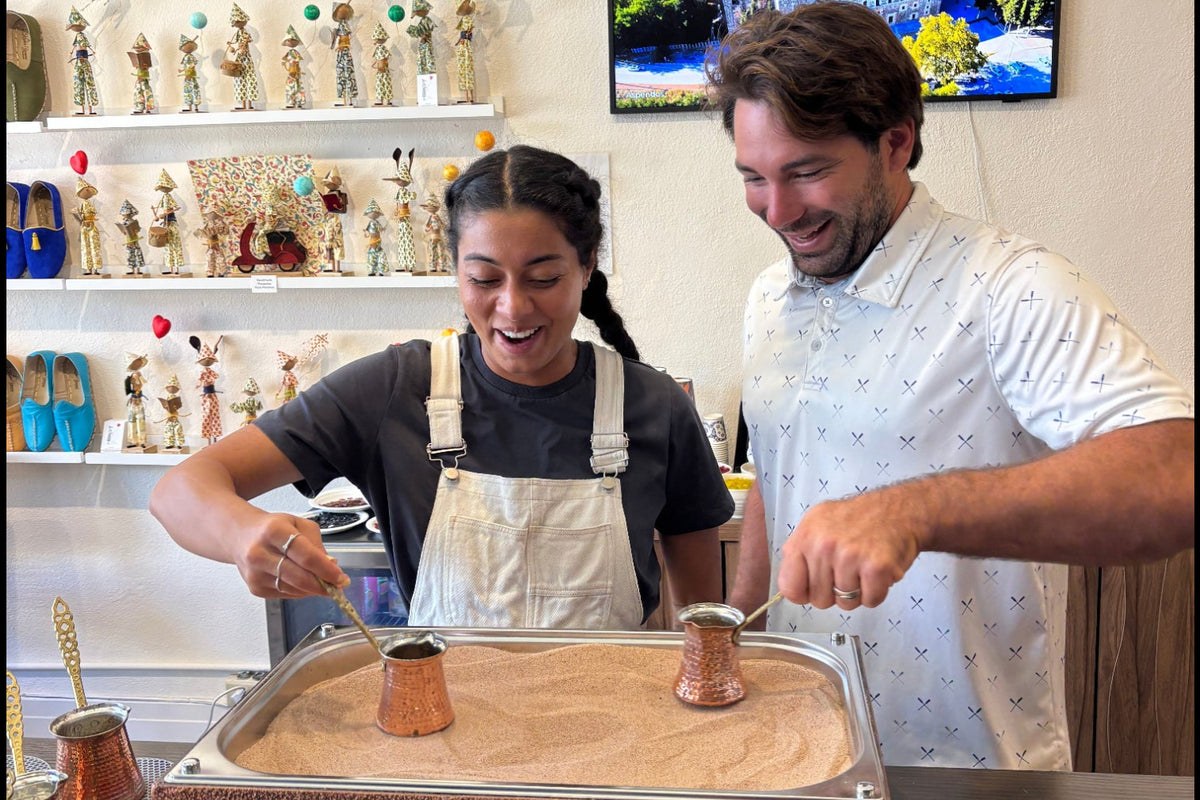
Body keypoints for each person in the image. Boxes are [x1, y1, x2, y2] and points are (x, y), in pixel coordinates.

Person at [706, 1, 1194, 771]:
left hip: (975, 769)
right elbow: (780, 466)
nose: (778, 210)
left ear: (895, 141)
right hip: (804, 758)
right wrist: (735, 627)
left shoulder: (1010, 285)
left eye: (806, 172)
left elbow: (1175, 475)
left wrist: (914, 509)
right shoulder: (769, 295)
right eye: (753, 178)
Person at [149, 145, 730, 631]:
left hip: (613, 730)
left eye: (544, 278)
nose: (513, 307)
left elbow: (702, 617)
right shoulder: (395, 389)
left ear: (587, 265)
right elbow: (180, 490)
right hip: (442, 725)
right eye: (483, 279)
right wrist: (240, 532)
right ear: (455, 269)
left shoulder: (653, 405)